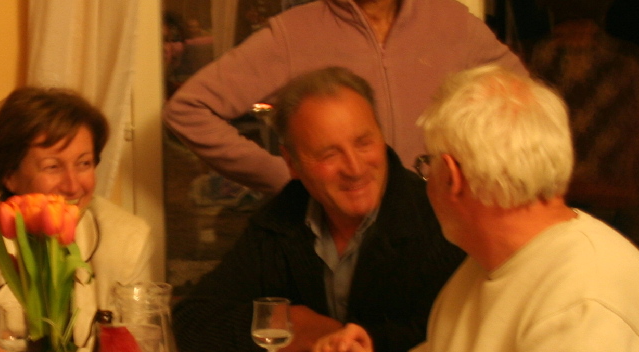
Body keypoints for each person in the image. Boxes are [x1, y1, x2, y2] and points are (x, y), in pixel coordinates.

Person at [163, 0, 526, 195]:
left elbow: (525, 101)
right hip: (339, 236)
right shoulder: (293, 34)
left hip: (440, 230)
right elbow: (188, 109)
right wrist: (287, 179)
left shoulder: (451, 22)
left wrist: (476, 171)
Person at [313, 65, 639, 352]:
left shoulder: (583, 305)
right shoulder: (483, 267)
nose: (425, 178)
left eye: (427, 164)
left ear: (452, 177)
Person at [172, 67, 464, 352]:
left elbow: (456, 334)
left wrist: (362, 342)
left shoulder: (439, 220)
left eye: (364, 143)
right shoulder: (282, 219)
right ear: (292, 163)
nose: (354, 168)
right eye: (329, 154)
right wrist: (286, 323)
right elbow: (192, 319)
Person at [0, 88, 153, 352]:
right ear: (10, 175)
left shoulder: (128, 239)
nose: (73, 186)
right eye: (52, 167)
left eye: (84, 163)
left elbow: (144, 345)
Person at [530, 0, 639, 232]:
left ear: (549, 1)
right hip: (612, 197)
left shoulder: (539, 60)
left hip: (557, 194)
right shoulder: (625, 60)